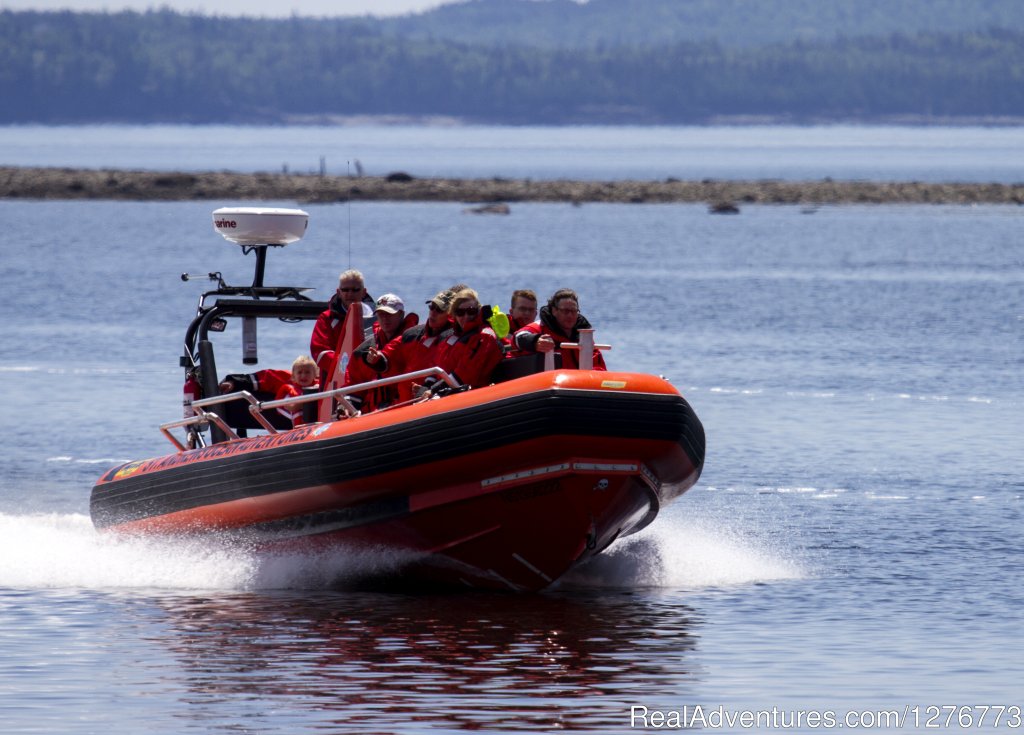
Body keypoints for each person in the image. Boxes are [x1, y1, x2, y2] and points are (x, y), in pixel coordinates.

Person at [371, 288, 456, 402]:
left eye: (439, 310)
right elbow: (391, 354)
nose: (433, 313)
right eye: (431, 307)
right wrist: (378, 359)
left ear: (450, 315)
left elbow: (452, 371)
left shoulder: (454, 339)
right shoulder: (414, 335)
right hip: (406, 403)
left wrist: (431, 389)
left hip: (429, 401)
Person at [344, 293, 419, 413]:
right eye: (381, 314)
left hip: (405, 408)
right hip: (373, 413)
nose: (385, 318)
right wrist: (345, 407)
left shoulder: (415, 341)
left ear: (401, 315)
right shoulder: (363, 350)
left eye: (389, 314)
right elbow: (353, 384)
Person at [513, 288, 607, 370]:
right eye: (565, 311)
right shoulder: (540, 328)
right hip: (546, 385)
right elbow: (518, 337)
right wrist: (535, 342)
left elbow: (599, 367)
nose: (570, 315)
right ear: (554, 311)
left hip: (577, 386)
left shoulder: (584, 337)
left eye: (573, 311)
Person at [432, 288, 504, 390]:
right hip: (446, 390)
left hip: (470, 394)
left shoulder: (484, 336)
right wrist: (427, 386)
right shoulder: (450, 337)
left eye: (471, 311)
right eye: (460, 312)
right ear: (454, 314)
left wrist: (433, 390)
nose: (466, 316)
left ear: (478, 311)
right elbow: (437, 366)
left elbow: (465, 374)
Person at [309, 269, 375, 381]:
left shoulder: (376, 316)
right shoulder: (326, 318)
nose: (350, 294)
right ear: (338, 292)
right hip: (336, 384)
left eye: (355, 290)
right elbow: (320, 352)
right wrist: (348, 367)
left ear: (364, 292)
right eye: (345, 290)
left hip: (370, 380)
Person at [219, 355, 319, 426]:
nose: (303, 376)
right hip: (294, 424)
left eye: (307, 372)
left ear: (315, 374)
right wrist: (234, 382)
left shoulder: (324, 384)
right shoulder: (286, 380)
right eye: (300, 372)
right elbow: (263, 378)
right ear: (293, 375)